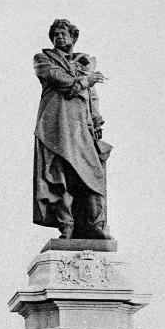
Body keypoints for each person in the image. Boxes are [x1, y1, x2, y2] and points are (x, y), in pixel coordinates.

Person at [33, 19, 112, 240]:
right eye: (56, 34)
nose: (60, 37)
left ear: (73, 37)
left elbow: (91, 95)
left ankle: (95, 224)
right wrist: (84, 80)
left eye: (64, 33)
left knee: (92, 173)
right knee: (61, 174)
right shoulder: (43, 59)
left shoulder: (84, 63)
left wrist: (96, 120)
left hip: (80, 125)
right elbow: (57, 78)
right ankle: (66, 226)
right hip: (55, 123)